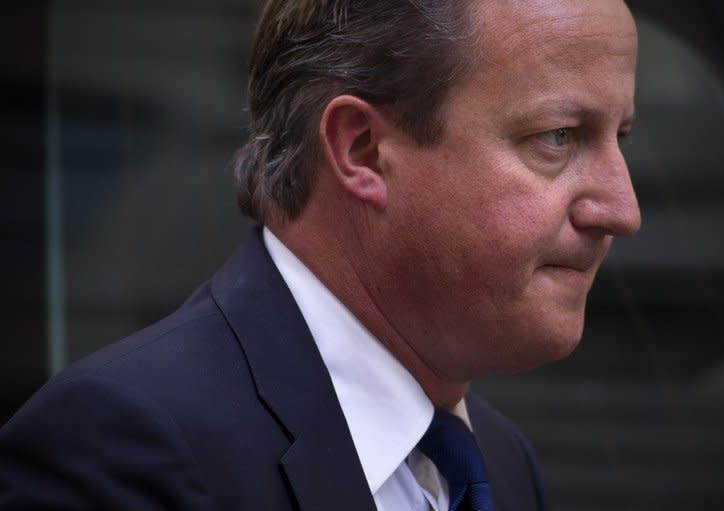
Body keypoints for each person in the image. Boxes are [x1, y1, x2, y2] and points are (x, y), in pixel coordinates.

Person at [0, 0, 641, 509]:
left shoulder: (499, 462)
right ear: (361, 149)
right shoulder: (125, 449)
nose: (622, 209)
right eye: (557, 137)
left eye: (621, 137)